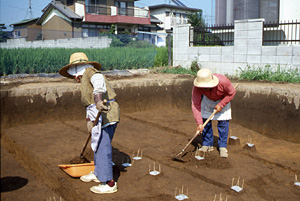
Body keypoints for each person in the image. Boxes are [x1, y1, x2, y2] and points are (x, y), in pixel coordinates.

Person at [59, 52, 120, 194]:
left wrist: (99, 100)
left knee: (103, 147)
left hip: (107, 114)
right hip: (98, 116)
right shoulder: (84, 78)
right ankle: (98, 172)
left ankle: (109, 183)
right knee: (98, 145)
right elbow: (89, 105)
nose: (75, 78)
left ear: (77, 68)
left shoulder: (90, 72)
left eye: (74, 74)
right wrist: (89, 121)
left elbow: (99, 82)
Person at [192, 69, 236, 158]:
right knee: (206, 123)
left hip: (223, 99)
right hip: (207, 100)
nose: (203, 88)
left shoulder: (223, 82)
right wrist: (199, 123)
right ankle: (207, 144)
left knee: (223, 124)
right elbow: (195, 104)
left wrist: (221, 104)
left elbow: (232, 93)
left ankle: (223, 147)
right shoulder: (197, 87)